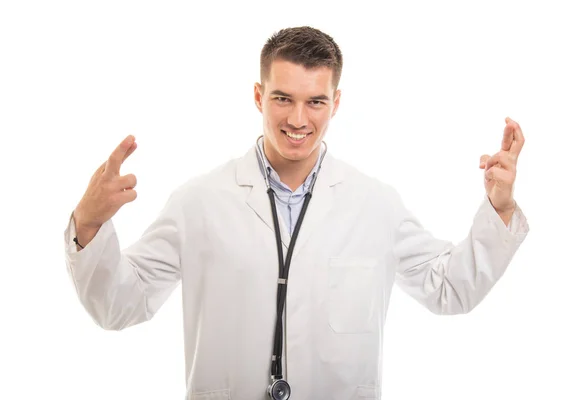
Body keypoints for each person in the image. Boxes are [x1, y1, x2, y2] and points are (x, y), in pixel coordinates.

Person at [64, 26, 529, 400]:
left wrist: (499, 207)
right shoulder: (199, 202)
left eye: (316, 101)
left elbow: (450, 290)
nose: (298, 119)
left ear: (337, 102)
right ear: (257, 96)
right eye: (282, 98)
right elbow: (119, 306)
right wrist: (88, 224)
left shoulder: (374, 204)